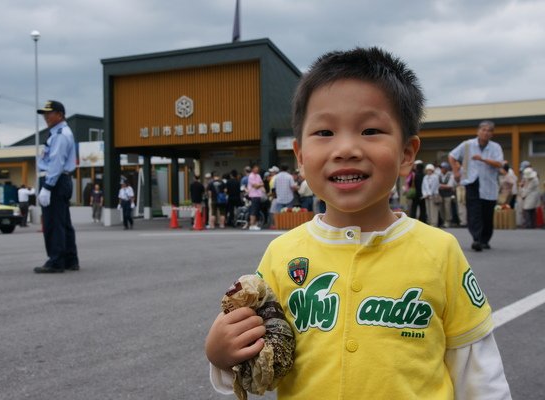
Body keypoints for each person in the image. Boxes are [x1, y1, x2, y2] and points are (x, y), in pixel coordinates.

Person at [206, 47, 511, 399]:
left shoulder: (439, 251)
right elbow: (263, 367)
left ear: (407, 153)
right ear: (301, 157)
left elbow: (478, 371)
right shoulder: (281, 254)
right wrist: (221, 355)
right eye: (324, 132)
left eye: (369, 130)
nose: (346, 148)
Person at [34, 100, 79, 273]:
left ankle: (56, 261)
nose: (46, 117)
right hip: (61, 180)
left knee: (53, 222)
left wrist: (47, 187)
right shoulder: (60, 132)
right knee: (63, 222)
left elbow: (56, 163)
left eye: (49, 113)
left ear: (59, 114)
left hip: (55, 180)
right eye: (44, 113)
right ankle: (70, 259)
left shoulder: (60, 134)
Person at [448, 120, 503, 251]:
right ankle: (476, 239)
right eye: (483, 130)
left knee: (487, 214)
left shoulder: (495, 147)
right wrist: (456, 171)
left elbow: (499, 164)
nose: (485, 132)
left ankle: (485, 239)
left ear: (492, 134)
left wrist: (482, 159)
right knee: (474, 212)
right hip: (472, 182)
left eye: (489, 130)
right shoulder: (467, 145)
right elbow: (452, 155)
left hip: (489, 185)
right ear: (478, 131)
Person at [245, 165, 264, 230]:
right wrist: (259, 185)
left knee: (256, 210)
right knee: (253, 210)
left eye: (257, 169)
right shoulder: (251, 176)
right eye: (255, 169)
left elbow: (262, 183)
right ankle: (252, 224)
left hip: (258, 195)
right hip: (253, 195)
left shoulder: (258, 175)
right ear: (252, 169)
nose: (256, 170)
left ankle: (255, 224)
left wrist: (259, 185)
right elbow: (255, 186)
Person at [438, 161, 455, 227]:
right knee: (441, 208)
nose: (441, 169)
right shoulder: (439, 175)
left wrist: (441, 185)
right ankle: (443, 221)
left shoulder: (451, 175)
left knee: (447, 208)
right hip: (441, 194)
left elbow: (450, 186)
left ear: (446, 168)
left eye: (442, 168)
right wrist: (443, 186)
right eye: (441, 168)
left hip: (448, 195)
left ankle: (448, 221)